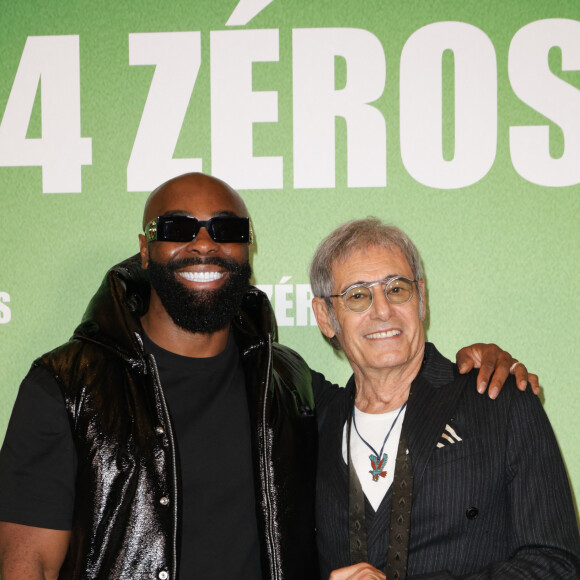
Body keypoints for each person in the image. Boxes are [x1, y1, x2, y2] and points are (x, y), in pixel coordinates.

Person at [0, 173, 536, 579]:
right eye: (178, 228)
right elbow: (29, 566)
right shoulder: (68, 385)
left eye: (226, 230)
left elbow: (390, 390)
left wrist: (478, 364)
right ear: (146, 248)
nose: (204, 244)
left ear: (246, 251)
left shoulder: (289, 384)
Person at [310, 218, 580, 579]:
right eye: (358, 295)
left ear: (421, 298)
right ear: (326, 317)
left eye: (396, 288)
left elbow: (558, 565)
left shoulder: (500, 399)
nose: (382, 310)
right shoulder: (313, 422)